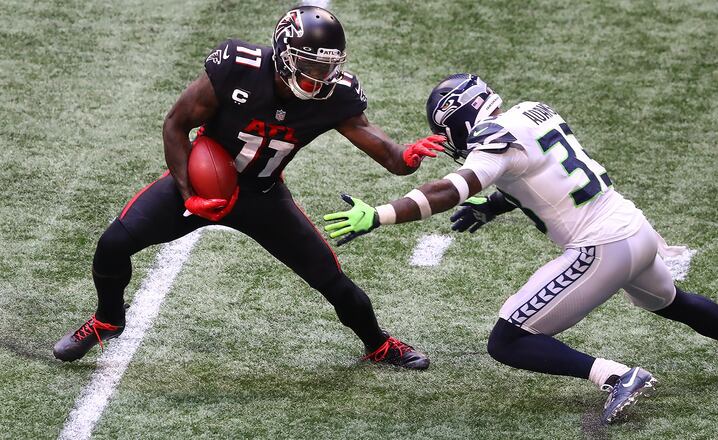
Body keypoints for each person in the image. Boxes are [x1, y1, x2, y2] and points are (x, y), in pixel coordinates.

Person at [322, 73, 718, 423]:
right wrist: (498, 206)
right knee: (673, 302)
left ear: (459, 117)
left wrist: (380, 214)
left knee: (507, 340)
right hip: (636, 230)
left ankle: (616, 376)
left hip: (600, 248)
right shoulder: (531, 111)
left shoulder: (492, 141)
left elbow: (451, 189)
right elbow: (545, 176)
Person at [53, 6, 443, 370]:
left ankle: (378, 344)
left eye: (327, 67)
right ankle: (107, 319)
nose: (319, 77)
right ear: (284, 55)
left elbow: (388, 155)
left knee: (331, 279)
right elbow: (176, 124)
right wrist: (189, 194)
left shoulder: (335, 94)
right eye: (310, 66)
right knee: (113, 244)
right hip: (203, 183)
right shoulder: (238, 67)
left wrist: (407, 158)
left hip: (262, 195)